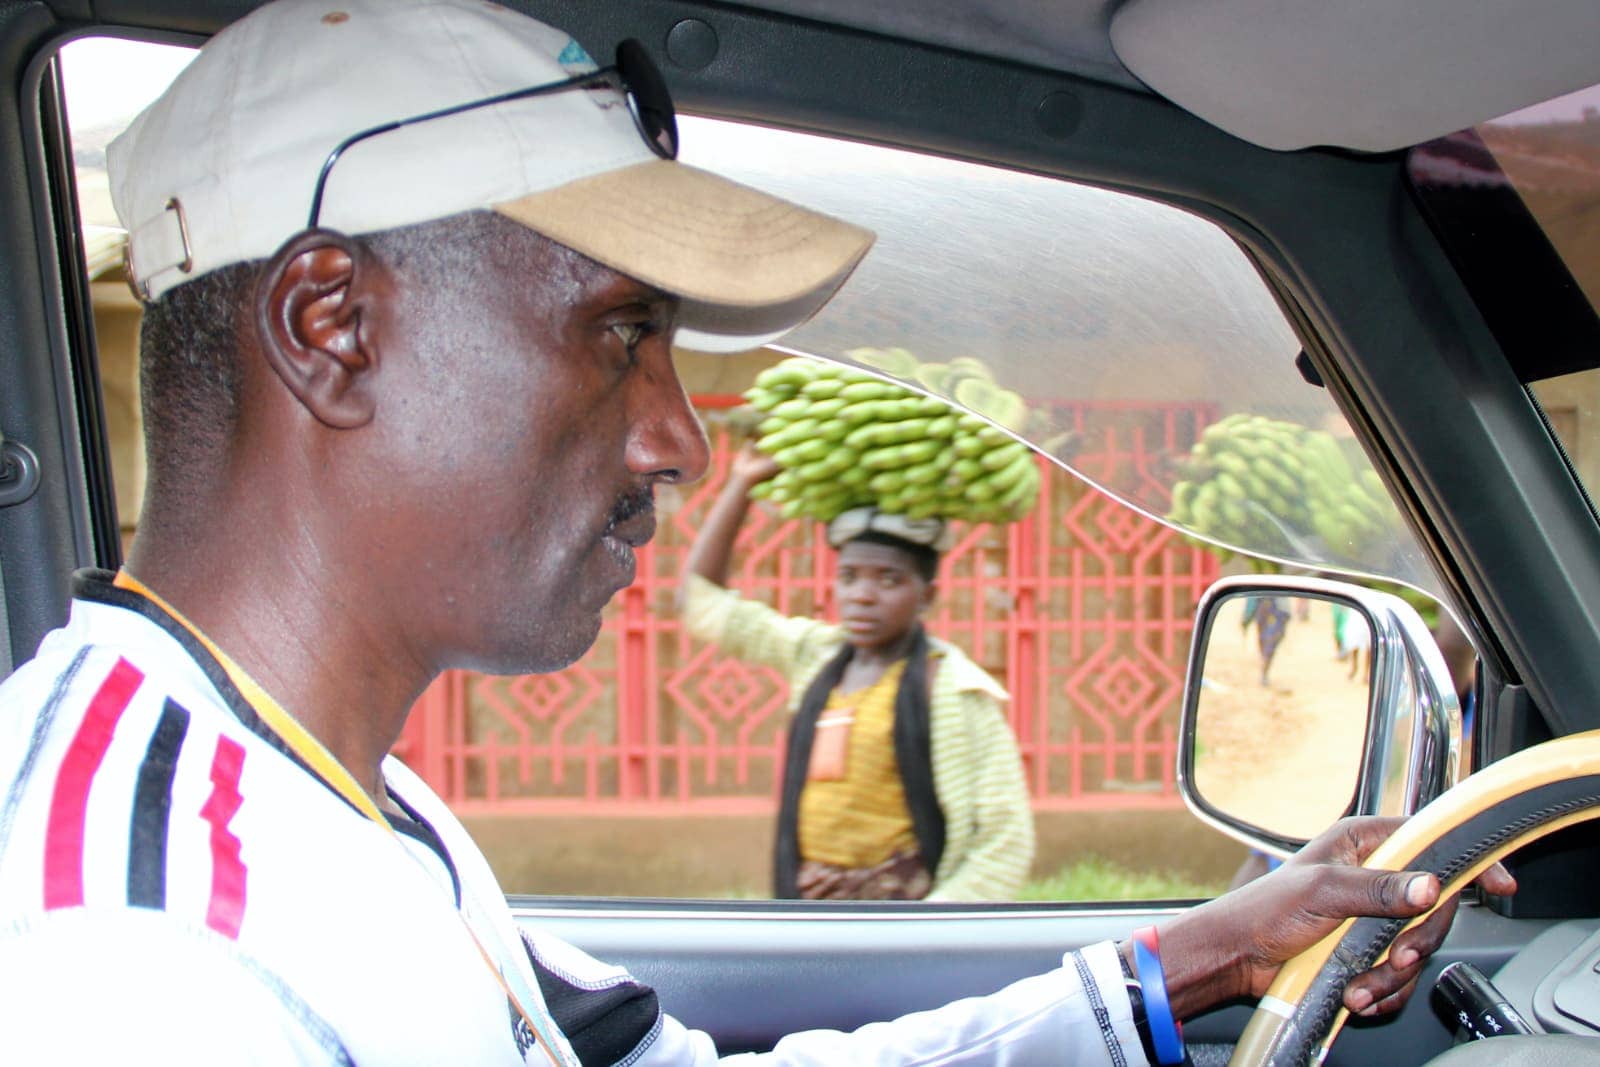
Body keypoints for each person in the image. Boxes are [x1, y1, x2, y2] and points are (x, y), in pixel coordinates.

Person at [0, 1, 1514, 1063]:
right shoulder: (133, 956)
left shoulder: (349, 806)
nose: (679, 433)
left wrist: (1198, 954)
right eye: (618, 335)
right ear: (330, 327)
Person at [680, 447, 1033, 901]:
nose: (862, 596)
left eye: (888, 580)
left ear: (927, 596)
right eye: (849, 577)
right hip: (812, 909)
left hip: (905, 921)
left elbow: (1005, 841)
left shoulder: (953, 689)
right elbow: (700, 602)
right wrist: (742, 483)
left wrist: (929, 926)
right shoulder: (814, 656)